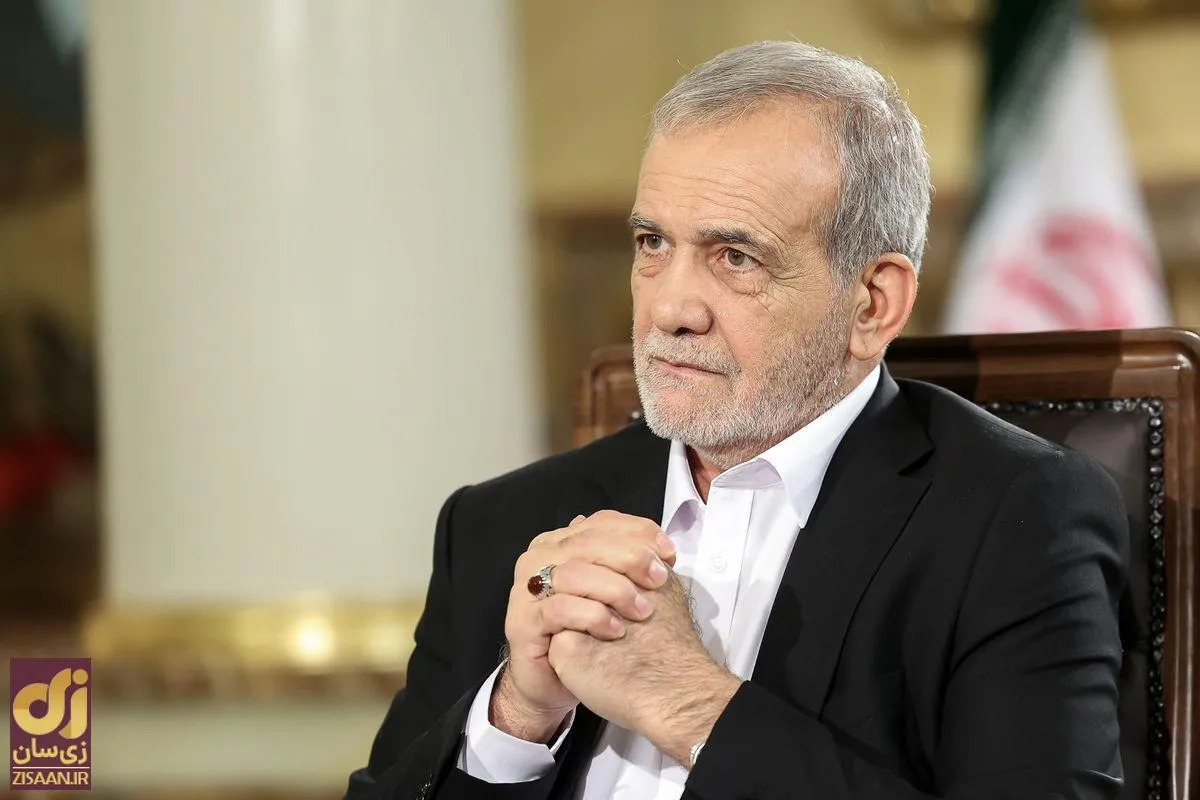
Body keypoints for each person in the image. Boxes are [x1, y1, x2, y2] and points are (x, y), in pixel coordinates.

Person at [344, 40, 1128, 800]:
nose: (670, 309)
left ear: (872, 303)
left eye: (735, 257)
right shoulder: (503, 526)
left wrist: (691, 704)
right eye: (652, 243)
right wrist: (516, 716)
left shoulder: (1015, 522)